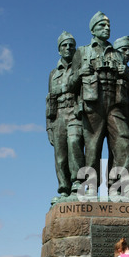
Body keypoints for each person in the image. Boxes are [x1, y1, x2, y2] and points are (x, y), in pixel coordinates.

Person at [68, 12, 129, 201]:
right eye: (102, 25)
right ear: (93, 29)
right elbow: (70, 85)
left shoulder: (117, 53)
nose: (107, 29)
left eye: (108, 26)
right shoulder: (82, 52)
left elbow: (128, 84)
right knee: (93, 146)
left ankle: (124, 188)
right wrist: (79, 74)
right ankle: (90, 188)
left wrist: (125, 72)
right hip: (93, 103)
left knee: (123, 142)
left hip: (116, 103)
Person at [46, 31, 85, 204]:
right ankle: (64, 189)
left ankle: (78, 183)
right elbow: (49, 101)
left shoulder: (80, 67)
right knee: (60, 155)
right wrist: (49, 126)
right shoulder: (53, 74)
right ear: (59, 49)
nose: (68, 48)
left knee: (74, 143)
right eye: (64, 45)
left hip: (74, 112)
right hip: (58, 116)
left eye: (71, 45)